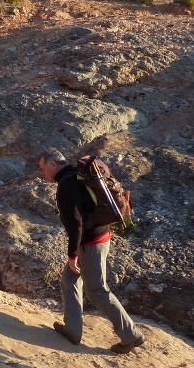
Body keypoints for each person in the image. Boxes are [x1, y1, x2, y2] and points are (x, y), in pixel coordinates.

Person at [38, 149, 144, 353]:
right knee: (69, 280)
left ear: (53, 165)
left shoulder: (67, 185)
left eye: (43, 169)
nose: (43, 174)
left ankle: (131, 335)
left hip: (91, 243)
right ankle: (72, 330)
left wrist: (72, 255)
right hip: (98, 236)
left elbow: (75, 224)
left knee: (97, 291)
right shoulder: (75, 175)